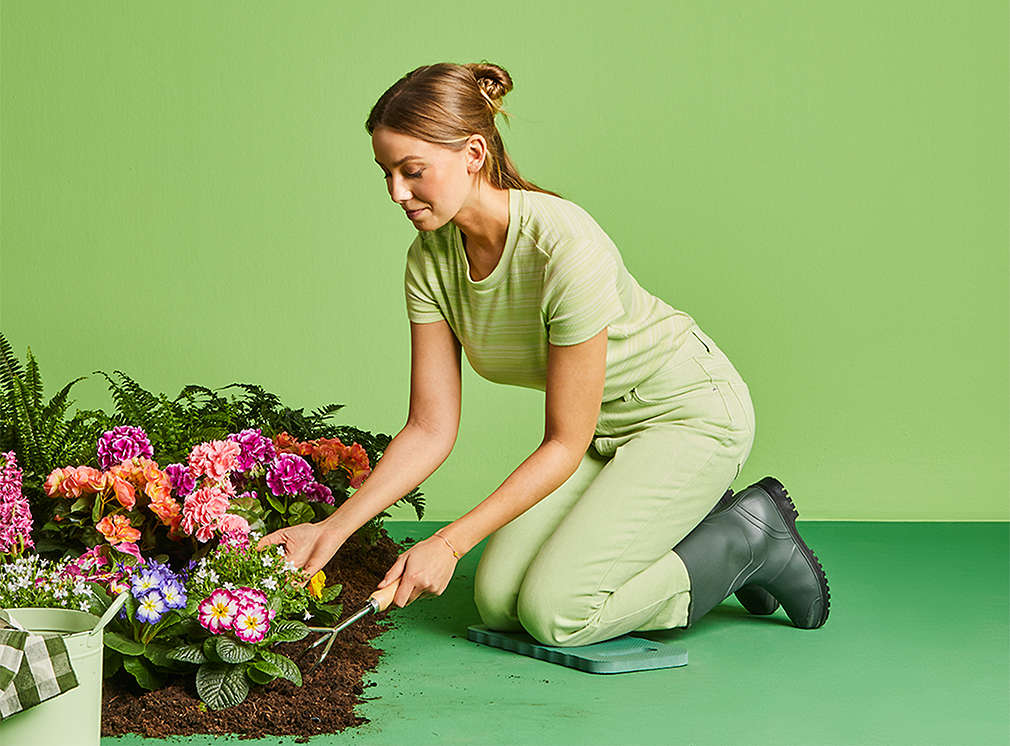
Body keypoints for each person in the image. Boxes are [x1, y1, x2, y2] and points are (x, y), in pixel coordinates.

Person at [257, 61, 830, 647]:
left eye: (413, 171)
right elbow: (430, 427)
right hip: (600, 432)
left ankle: (748, 541)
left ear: (474, 153)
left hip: (687, 413)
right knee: (499, 603)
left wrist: (448, 542)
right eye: (386, 174)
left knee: (556, 614)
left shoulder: (564, 246)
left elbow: (564, 440)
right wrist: (332, 529)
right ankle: (692, 534)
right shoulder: (429, 261)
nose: (397, 193)